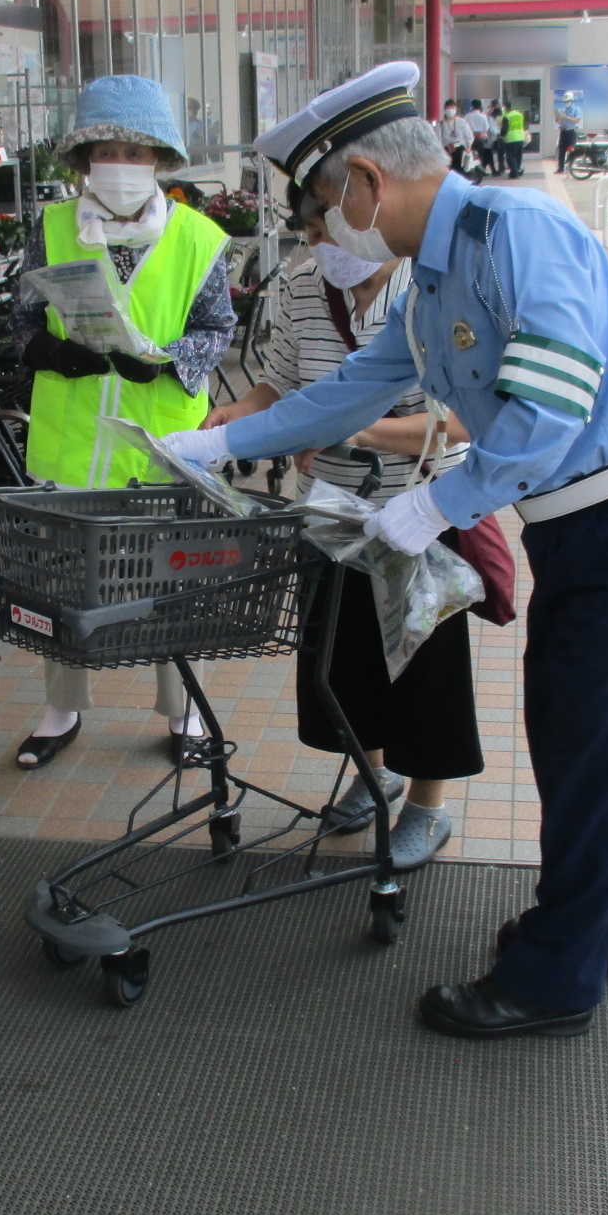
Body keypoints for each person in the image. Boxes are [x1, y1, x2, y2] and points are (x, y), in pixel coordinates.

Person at [163, 62, 608, 1040]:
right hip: (587, 527)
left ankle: (553, 976)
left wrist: (437, 505)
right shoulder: (431, 281)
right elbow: (346, 395)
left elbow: (553, 402)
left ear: (370, 182)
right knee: (586, 739)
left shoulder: (519, 231)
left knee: (589, 742)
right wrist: (218, 440)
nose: (326, 226)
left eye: (326, 201)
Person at [202, 238, 481, 872]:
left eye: (337, 211)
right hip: (326, 510)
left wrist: (356, 429)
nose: (329, 237)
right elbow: (281, 379)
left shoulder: (432, 290)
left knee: (422, 667)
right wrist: (242, 413)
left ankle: (428, 807)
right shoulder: (301, 286)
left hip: (419, 511)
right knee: (343, 656)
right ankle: (374, 773)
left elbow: (467, 417)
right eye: (315, 220)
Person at [9, 75, 237, 769]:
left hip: (163, 445)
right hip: (71, 444)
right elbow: (19, 321)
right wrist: (50, 351)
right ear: (82, 161)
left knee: (172, 581)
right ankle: (61, 707)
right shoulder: (50, 229)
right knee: (61, 580)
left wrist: (168, 363)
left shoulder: (201, 238)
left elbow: (218, 327)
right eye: (108, 149)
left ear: (161, 163)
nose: (123, 163)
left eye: (139, 152)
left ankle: (184, 710)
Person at [438, 99, 471, 174]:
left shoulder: (461, 122)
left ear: (456, 109)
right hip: (447, 151)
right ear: (444, 110)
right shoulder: (441, 124)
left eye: (452, 108)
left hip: (460, 149)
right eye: (448, 109)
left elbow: (468, 136)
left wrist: (468, 147)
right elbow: (438, 140)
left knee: (461, 172)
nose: (450, 111)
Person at [465, 99, 495, 174]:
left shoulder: (467, 116)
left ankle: (471, 169)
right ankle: (481, 170)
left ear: (472, 106)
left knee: (470, 154)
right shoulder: (483, 116)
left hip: (470, 138)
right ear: (480, 106)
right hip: (481, 139)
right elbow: (486, 128)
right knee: (481, 155)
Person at [554, 92, 581, 173]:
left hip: (571, 131)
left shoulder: (576, 109)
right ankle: (560, 168)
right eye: (565, 101)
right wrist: (560, 118)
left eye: (568, 101)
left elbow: (577, 120)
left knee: (572, 149)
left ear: (572, 101)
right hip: (563, 131)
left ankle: (571, 167)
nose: (567, 103)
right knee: (561, 150)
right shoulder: (563, 110)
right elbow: (558, 122)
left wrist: (568, 117)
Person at [500, 104, 528, 178]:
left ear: (506, 108)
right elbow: (524, 125)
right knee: (518, 156)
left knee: (511, 157)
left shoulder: (507, 117)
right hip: (520, 138)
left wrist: (501, 136)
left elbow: (504, 129)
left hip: (511, 139)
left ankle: (515, 172)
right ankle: (515, 172)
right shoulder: (520, 115)